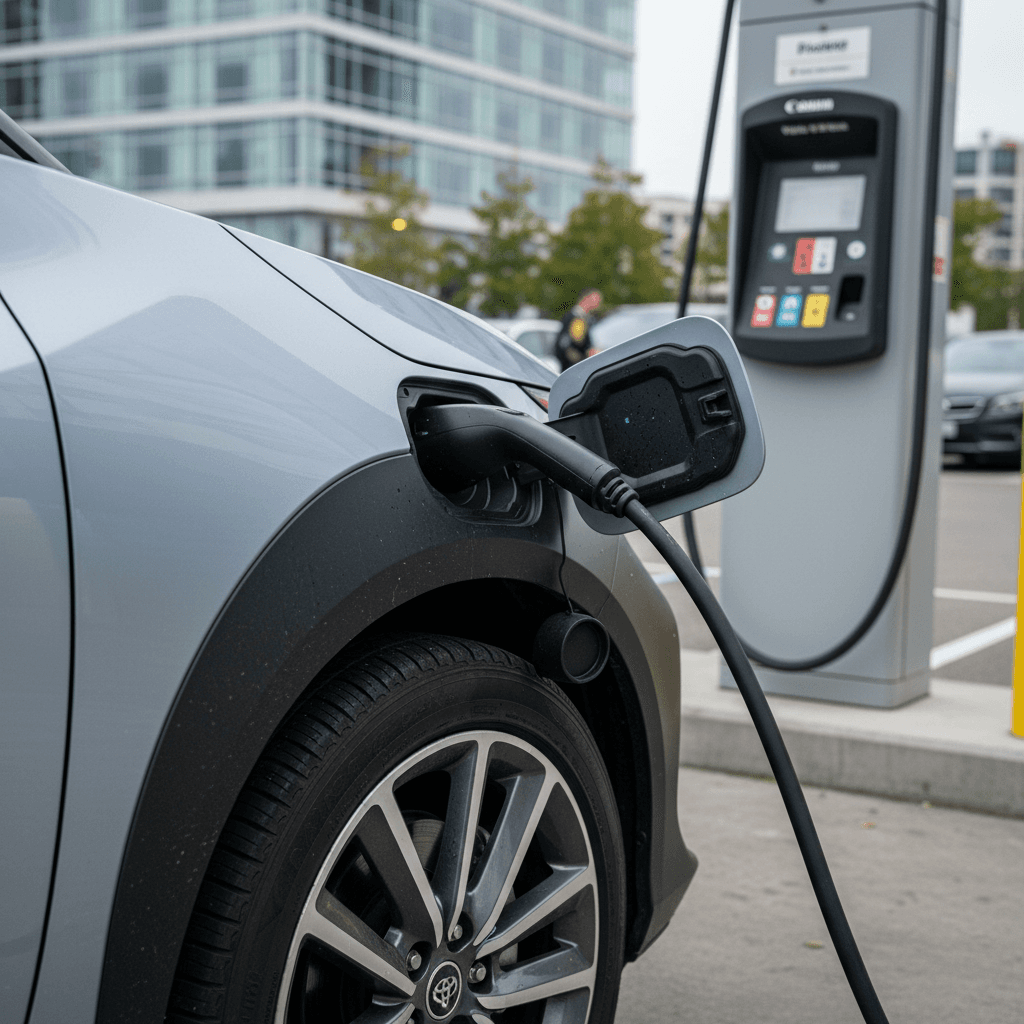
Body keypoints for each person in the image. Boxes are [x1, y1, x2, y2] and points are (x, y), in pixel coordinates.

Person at [554, 289, 602, 371]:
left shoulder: (588, 319)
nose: (598, 304)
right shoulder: (573, 318)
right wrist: (583, 357)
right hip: (572, 368)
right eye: (596, 300)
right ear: (586, 298)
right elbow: (564, 346)